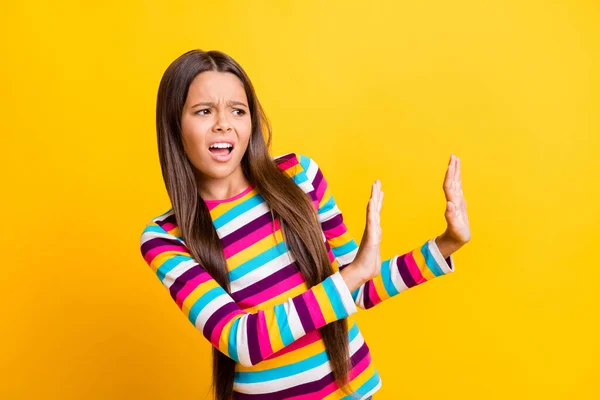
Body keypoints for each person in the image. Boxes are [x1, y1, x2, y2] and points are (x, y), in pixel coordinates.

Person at [139, 49, 471, 400]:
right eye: (204, 111)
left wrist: (446, 244)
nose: (223, 124)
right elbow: (242, 341)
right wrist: (352, 276)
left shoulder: (299, 176)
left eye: (237, 110)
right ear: (175, 125)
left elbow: (356, 288)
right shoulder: (165, 237)